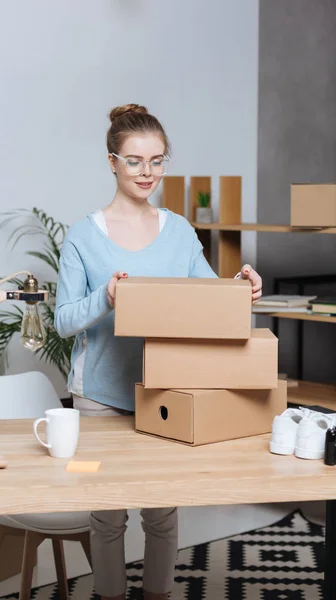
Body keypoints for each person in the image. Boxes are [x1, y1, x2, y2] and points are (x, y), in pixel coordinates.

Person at [54, 103, 263, 600]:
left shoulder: (180, 232)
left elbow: (210, 302)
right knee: (106, 515)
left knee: (162, 512)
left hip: (165, 391)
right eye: (134, 160)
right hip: (100, 396)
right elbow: (63, 321)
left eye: (157, 160)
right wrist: (105, 296)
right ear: (112, 162)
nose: (147, 172)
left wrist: (240, 289)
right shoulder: (83, 236)